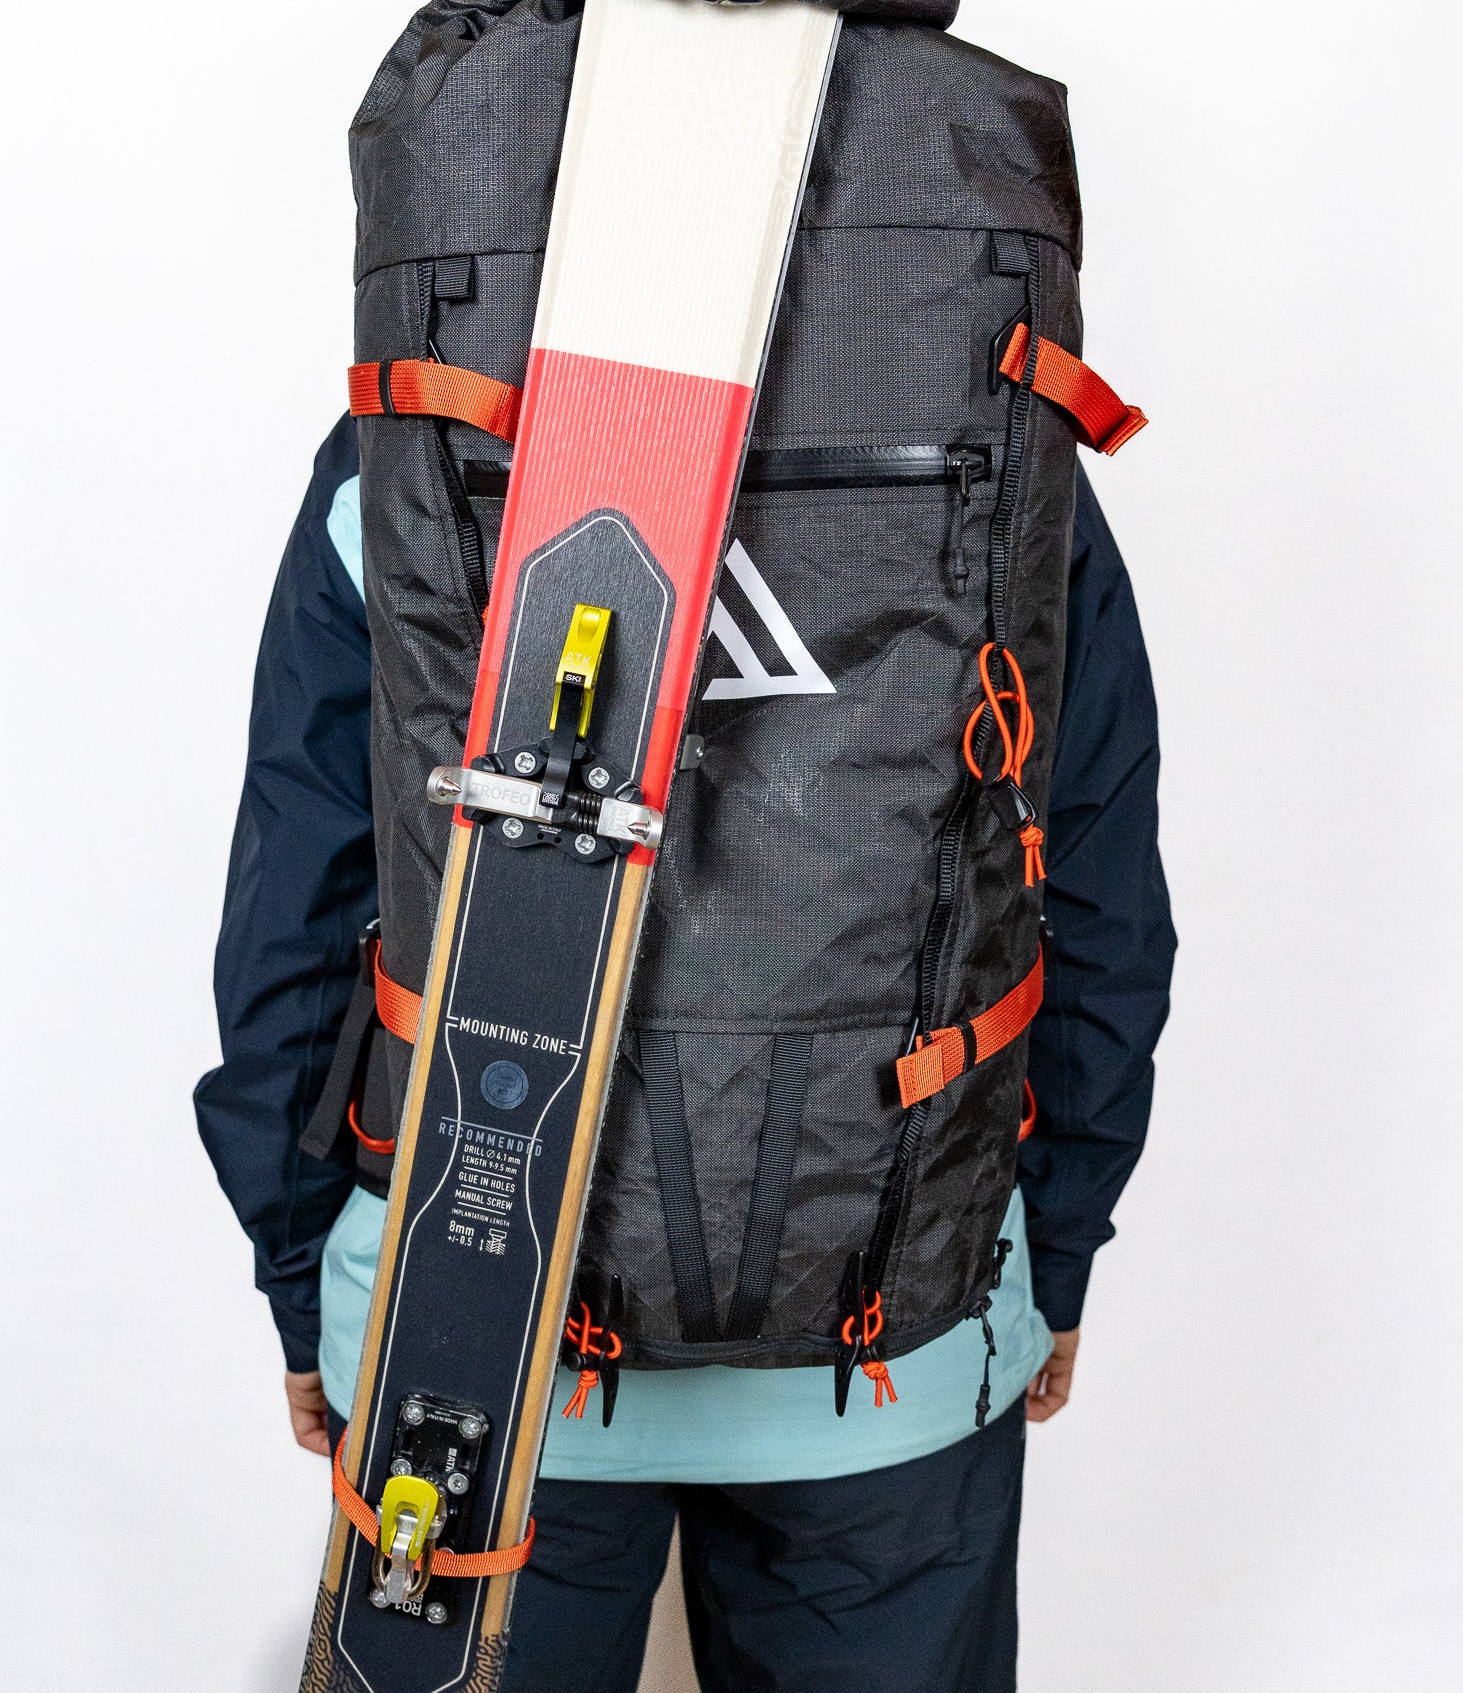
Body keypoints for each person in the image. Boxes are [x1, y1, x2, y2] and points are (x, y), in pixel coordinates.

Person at [196, 412, 1172, 1692]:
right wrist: (1057, 1240)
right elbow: (1099, 893)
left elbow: (298, 912)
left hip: (468, 1341)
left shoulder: (412, 435)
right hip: (902, 1335)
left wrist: (304, 1275)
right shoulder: (997, 428)